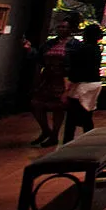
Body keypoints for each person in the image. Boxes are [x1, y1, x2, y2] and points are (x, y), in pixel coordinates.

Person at [23, 13, 80, 146]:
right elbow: (40, 58)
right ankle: (45, 130)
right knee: (36, 104)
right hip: (47, 79)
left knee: (57, 108)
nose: (60, 29)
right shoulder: (50, 43)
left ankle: (54, 134)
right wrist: (29, 50)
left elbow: (75, 63)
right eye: (59, 27)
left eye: (64, 27)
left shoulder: (75, 45)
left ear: (70, 29)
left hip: (63, 80)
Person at [63, 24, 104, 143]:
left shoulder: (82, 49)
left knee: (71, 118)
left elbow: (75, 70)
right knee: (87, 116)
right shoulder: (96, 49)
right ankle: (89, 141)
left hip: (82, 86)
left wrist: (68, 86)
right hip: (95, 84)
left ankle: (67, 143)